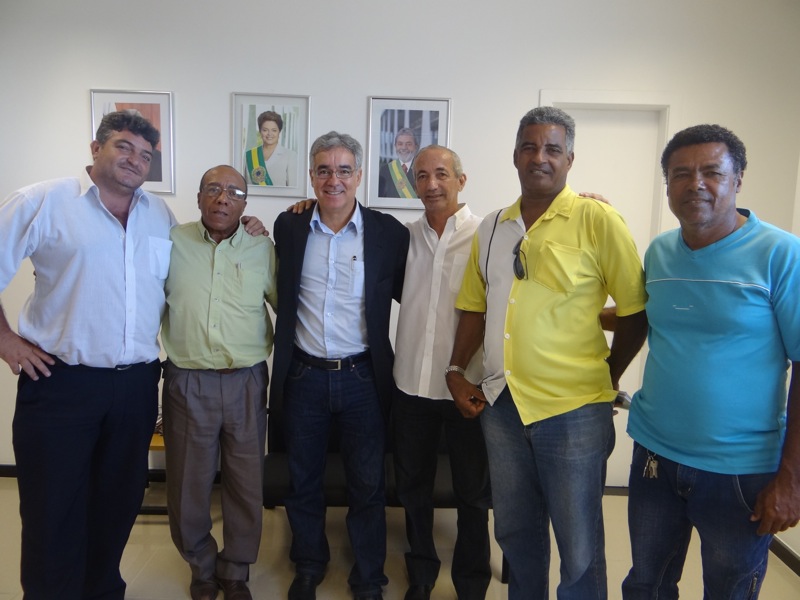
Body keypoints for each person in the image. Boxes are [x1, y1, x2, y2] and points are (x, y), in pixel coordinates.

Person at [446, 106, 648, 600]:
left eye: (553, 149)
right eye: (529, 147)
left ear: (569, 159)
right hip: (502, 407)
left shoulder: (597, 219)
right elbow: (474, 306)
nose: (540, 157)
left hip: (574, 411)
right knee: (515, 532)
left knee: (578, 546)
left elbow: (635, 311)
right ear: (515, 155)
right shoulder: (492, 227)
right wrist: (455, 369)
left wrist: (609, 375)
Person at [0, 111, 175, 600]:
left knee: (117, 504)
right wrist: (6, 339)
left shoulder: (159, 215)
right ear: (96, 148)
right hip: (61, 384)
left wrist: (247, 226)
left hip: (136, 386)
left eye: (145, 155)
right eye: (124, 146)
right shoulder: (43, 201)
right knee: (52, 509)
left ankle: (101, 591)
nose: (134, 160)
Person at [622, 124, 800, 599]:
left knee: (729, 590)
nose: (695, 184)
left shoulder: (781, 254)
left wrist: (792, 479)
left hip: (739, 470)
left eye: (711, 172)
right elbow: (650, 318)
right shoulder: (660, 252)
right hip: (655, 455)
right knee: (646, 584)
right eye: (680, 174)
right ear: (667, 185)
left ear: (738, 179)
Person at [270, 131, 409, 600]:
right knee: (302, 480)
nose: (335, 180)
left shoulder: (389, 233)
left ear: (359, 175)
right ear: (312, 176)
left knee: (367, 485)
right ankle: (309, 564)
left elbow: (419, 287)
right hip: (304, 376)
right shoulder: (289, 226)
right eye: (325, 170)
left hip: (363, 379)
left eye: (344, 170)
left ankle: (368, 576)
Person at [160, 165, 278, 600]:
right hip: (188, 381)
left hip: (246, 382)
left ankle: (235, 570)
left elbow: (287, 305)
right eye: (213, 189)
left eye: (234, 192)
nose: (223, 198)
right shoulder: (172, 243)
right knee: (188, 483)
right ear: (198, 197)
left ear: (246, 204)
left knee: (245, 483)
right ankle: (201, 567)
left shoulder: (262, 248)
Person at [392, 145, 491, 600]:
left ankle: (471, 582)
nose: (431, 184)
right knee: (413, 488)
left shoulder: (487, 235)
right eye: (422, 176)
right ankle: (421, 573)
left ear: (461, 181)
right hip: (410, 385)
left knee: (472, 493)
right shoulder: (403, 238)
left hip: (466, 387)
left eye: (441, 174)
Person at [244, 110, 298, 187]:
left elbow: (293, 188)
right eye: (265, 130)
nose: (269, 134)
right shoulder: (250, 155)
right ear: (260, 131)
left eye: (274, 130)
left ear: (279, 132)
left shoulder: (290, 156)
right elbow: (246, 186)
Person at [378, 128, 418, 199]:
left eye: (408, 144)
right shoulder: (385, 170)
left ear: (416, 147)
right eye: (400, 144)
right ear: (395, 146)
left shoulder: (421, 169)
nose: (404, 148)